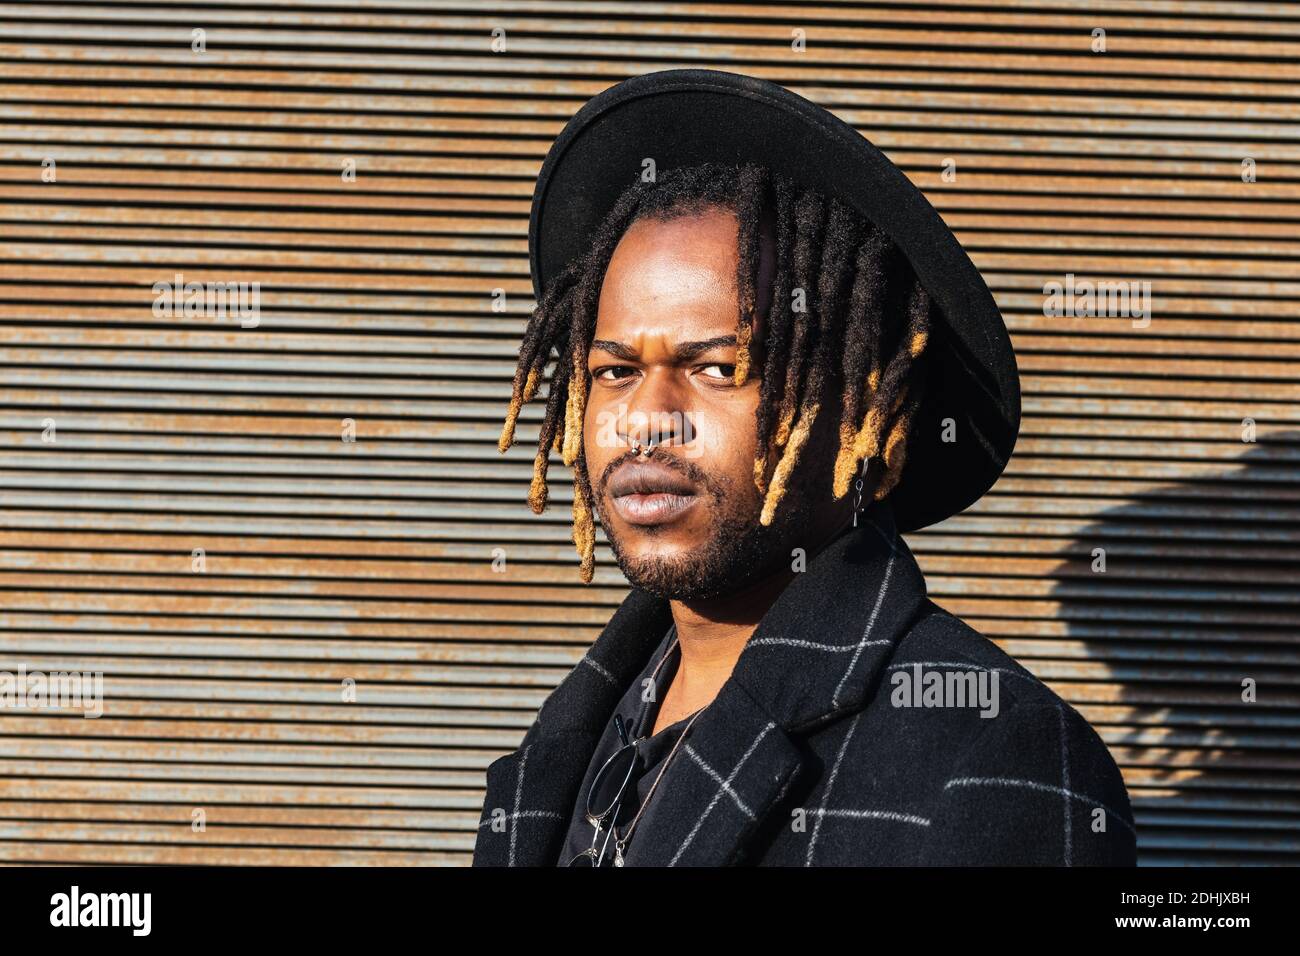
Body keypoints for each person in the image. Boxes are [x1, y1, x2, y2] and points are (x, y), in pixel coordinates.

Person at [473, 69, 1136, 867]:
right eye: (615, 371)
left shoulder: (993, 758)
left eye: (718, 368)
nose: (645, 418)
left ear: (854, 406)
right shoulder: (586, 726)